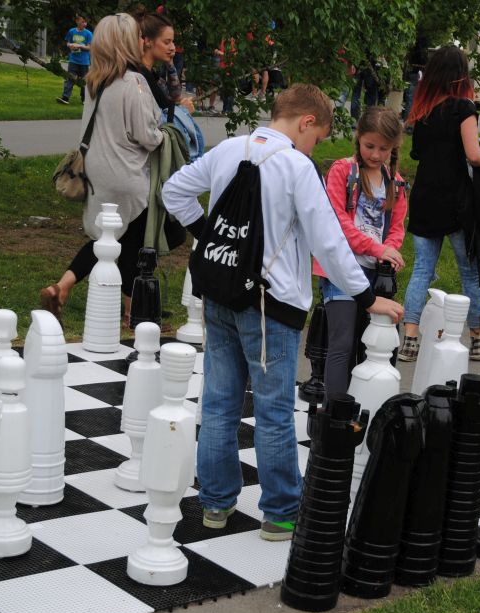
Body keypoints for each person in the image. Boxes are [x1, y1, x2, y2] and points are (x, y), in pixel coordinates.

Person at [162, 85, 404, 541]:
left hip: (219, 291)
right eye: (316, 136)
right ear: (306, 121)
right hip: (271, 304)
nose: (311, 146)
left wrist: (211, 235)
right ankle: (280, 513)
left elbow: (173, 192)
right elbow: (328, 242)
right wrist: (367, 296)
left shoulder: (229, 149)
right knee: (273, 411)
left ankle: (215, 504)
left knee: (217, 401)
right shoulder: (296, 166)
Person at [40, 13, 163, 323]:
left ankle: (63, 285)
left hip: (97, 171)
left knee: (106, 238)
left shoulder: (94, 81)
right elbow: (147, 136)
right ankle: (130, 307)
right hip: (127, 171)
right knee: (133, 238)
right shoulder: (133, 82)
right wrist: (165, 134)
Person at [399, 45, 480, 363]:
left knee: (421, 269)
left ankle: (409, 340)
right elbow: (473, 154)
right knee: (469, 272)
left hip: (424, 198)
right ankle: (478, 338)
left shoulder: (423, 112)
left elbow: (418, 154)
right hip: (457, 202)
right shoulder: (464, 108)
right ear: (462, 76)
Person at [316, 106, 408, 397]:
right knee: (342, 343)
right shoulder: (343, 171)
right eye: (370, 146)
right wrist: (377, 247)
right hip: (341, 269)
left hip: (375, 273)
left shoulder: (397, 182)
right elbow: (338, 222)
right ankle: (336, 416)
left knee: (371, 343)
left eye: (384, 148)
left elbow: (397, 225)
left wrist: (390, 250)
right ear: (358, 138)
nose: (377, 155)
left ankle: (367, 404)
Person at [133, 9, 194, 120]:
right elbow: (154, 121)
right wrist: (183, 112)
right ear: (148, 41)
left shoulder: (151, 73)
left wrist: (170, 64)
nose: (172, 47)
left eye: (172, 42)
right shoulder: (141, 76)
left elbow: (174, 96)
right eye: (167, 42)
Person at [57, 15, 92, 105]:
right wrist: (71, 45)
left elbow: (90, 47)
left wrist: (80, 46)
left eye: (85, 22)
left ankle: (84, 99)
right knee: (70, 78)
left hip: (84, 61)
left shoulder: (88, 33)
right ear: (77, 21)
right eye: (82, 22)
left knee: (84, 81)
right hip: (73, 60)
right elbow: (68, 42)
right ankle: (65, 98)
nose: (84, 24)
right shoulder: (71, 31)